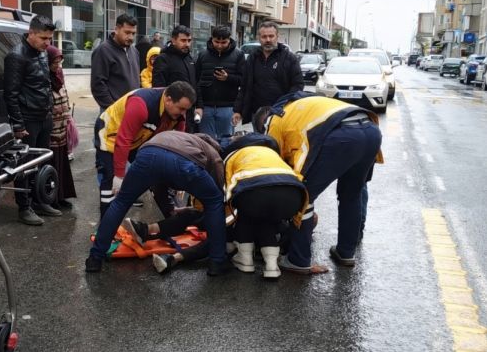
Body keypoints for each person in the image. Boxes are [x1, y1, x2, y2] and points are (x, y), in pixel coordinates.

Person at [252, 92, 383, 274]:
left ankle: (299, 260)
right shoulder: (299, 105)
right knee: (351, 195)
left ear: (261, 123)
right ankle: (346, 253)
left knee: (302, 196)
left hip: (341, 136)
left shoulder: (272, 121)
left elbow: (275, 165)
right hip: (371, 130)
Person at [86, 132, 231, 276]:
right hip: (182, 162)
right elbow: (220, 193)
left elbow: (160, 184)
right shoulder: (212, 152)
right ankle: (217, 262)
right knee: (214, 201)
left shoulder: (181, 138)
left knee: (121, 202)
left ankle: (95, 258)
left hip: (147, 154)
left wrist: (170, 213)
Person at [93, 81, 195, 218]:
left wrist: (177, 177)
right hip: (111, 135)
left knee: (159, 171)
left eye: (186, 109)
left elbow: (176, 147)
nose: (183, 113)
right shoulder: (141, 104)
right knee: (110, 180)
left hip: (139, 136)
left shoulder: (177, 113)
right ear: (168, 100)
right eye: (181, 108)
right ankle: (106, 224)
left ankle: (171, 214)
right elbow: (123, 140)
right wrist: (119, 175)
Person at [221, 133, 308, 279]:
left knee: (245, 213)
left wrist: (227, 237)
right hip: (294, 195)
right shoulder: (272, 153)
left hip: (253, 194)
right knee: (268, 218)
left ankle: (245, 259)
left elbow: (225, 193)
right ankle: (272, 265)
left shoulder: (232, 155)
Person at [4, 14, 62, 226]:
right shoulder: (16, 56)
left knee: (42, 162)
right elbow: (10, 94)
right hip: (28, 119)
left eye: (50, 39)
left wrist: (51, 109)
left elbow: (44, 84)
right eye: (44, 38)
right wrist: (18, 124)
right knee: (25, 165)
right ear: (31, 33)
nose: (48, 43)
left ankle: (39, 201)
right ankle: (24, 207)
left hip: (44, 116)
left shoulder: (42, 53)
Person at [232, 21, 304, 127]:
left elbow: (298, 85)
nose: (268, 40)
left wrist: (284, 106)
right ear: (259, 38)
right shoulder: (252, 58)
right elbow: (244, 86)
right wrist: (238, 110)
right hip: (257, 114)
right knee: (259, 138)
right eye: (264, 37)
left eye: (271, 36)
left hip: (281, 114)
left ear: (277, 37)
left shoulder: (289, 58)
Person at [194, 25, 245, 141]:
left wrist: (228, 78)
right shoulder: (202, 55)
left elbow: (244, 81)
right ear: (211, 39)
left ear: (229, 40)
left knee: (226, 142)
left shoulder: (238, 55)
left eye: (224, 42)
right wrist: (199, 105)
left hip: (228, 107)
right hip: (206, 107)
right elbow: (195, 81)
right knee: (206, 142)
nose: (220, 45)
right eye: (217, 42)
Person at [46, 45, 77, 210]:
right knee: (52, 164)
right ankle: (52, 198)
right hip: (51, 130)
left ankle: (62, 195)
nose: (57, 66)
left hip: (62, 128)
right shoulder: (44, 78)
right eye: (54, 62)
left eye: (59, 62)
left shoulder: (59, 75)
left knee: (62, 164)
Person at [90, 13, 140, 111]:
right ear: (116, 29)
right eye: (127, 32)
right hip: (113, 111)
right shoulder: (103, 50)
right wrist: (112, 108)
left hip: (131, 108)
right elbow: (98, 85)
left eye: (133, 33)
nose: (131, 37)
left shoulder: (134, 51)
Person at [152, 25, 196, 131]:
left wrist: (199, 106)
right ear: (173, 40)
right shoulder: (163, 59)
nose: (187, 44)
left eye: (189, 41)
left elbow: (195, 83)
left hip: (189, 112)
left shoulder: (190, 59)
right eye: (183, 40)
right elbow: (158, 88)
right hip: (171, 113)